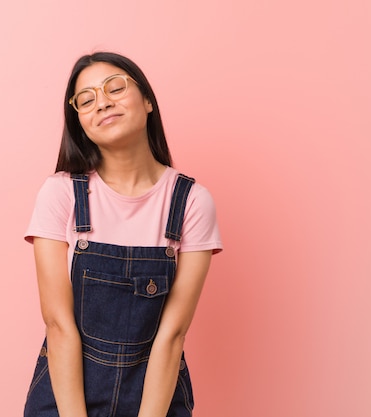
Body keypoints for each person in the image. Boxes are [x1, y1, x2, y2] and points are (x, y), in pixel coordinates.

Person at [23, 51, 223, 417]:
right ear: (79, 121)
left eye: (114, 87)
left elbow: (173, 333)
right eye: (86, 100)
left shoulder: (192, 201)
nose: (102, 103)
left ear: (147, 100)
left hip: (156, 399)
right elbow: (58, 323)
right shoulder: (60, 194)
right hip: (65, 398)